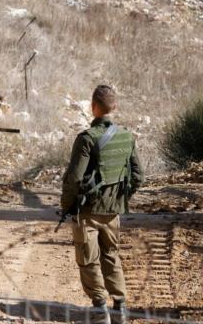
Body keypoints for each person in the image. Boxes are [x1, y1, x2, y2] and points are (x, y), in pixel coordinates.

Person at [61, 85, 143, 323]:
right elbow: (139, 176)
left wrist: (67, 205)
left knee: (88, 259)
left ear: (93, 107)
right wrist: (120, 197)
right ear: (114, 107)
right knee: (111, 256)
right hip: (113, 211)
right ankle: (120, 306)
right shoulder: (127, 137)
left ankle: (99, 309)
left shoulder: (87, 139)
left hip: (87, 211)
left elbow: (74, 178)